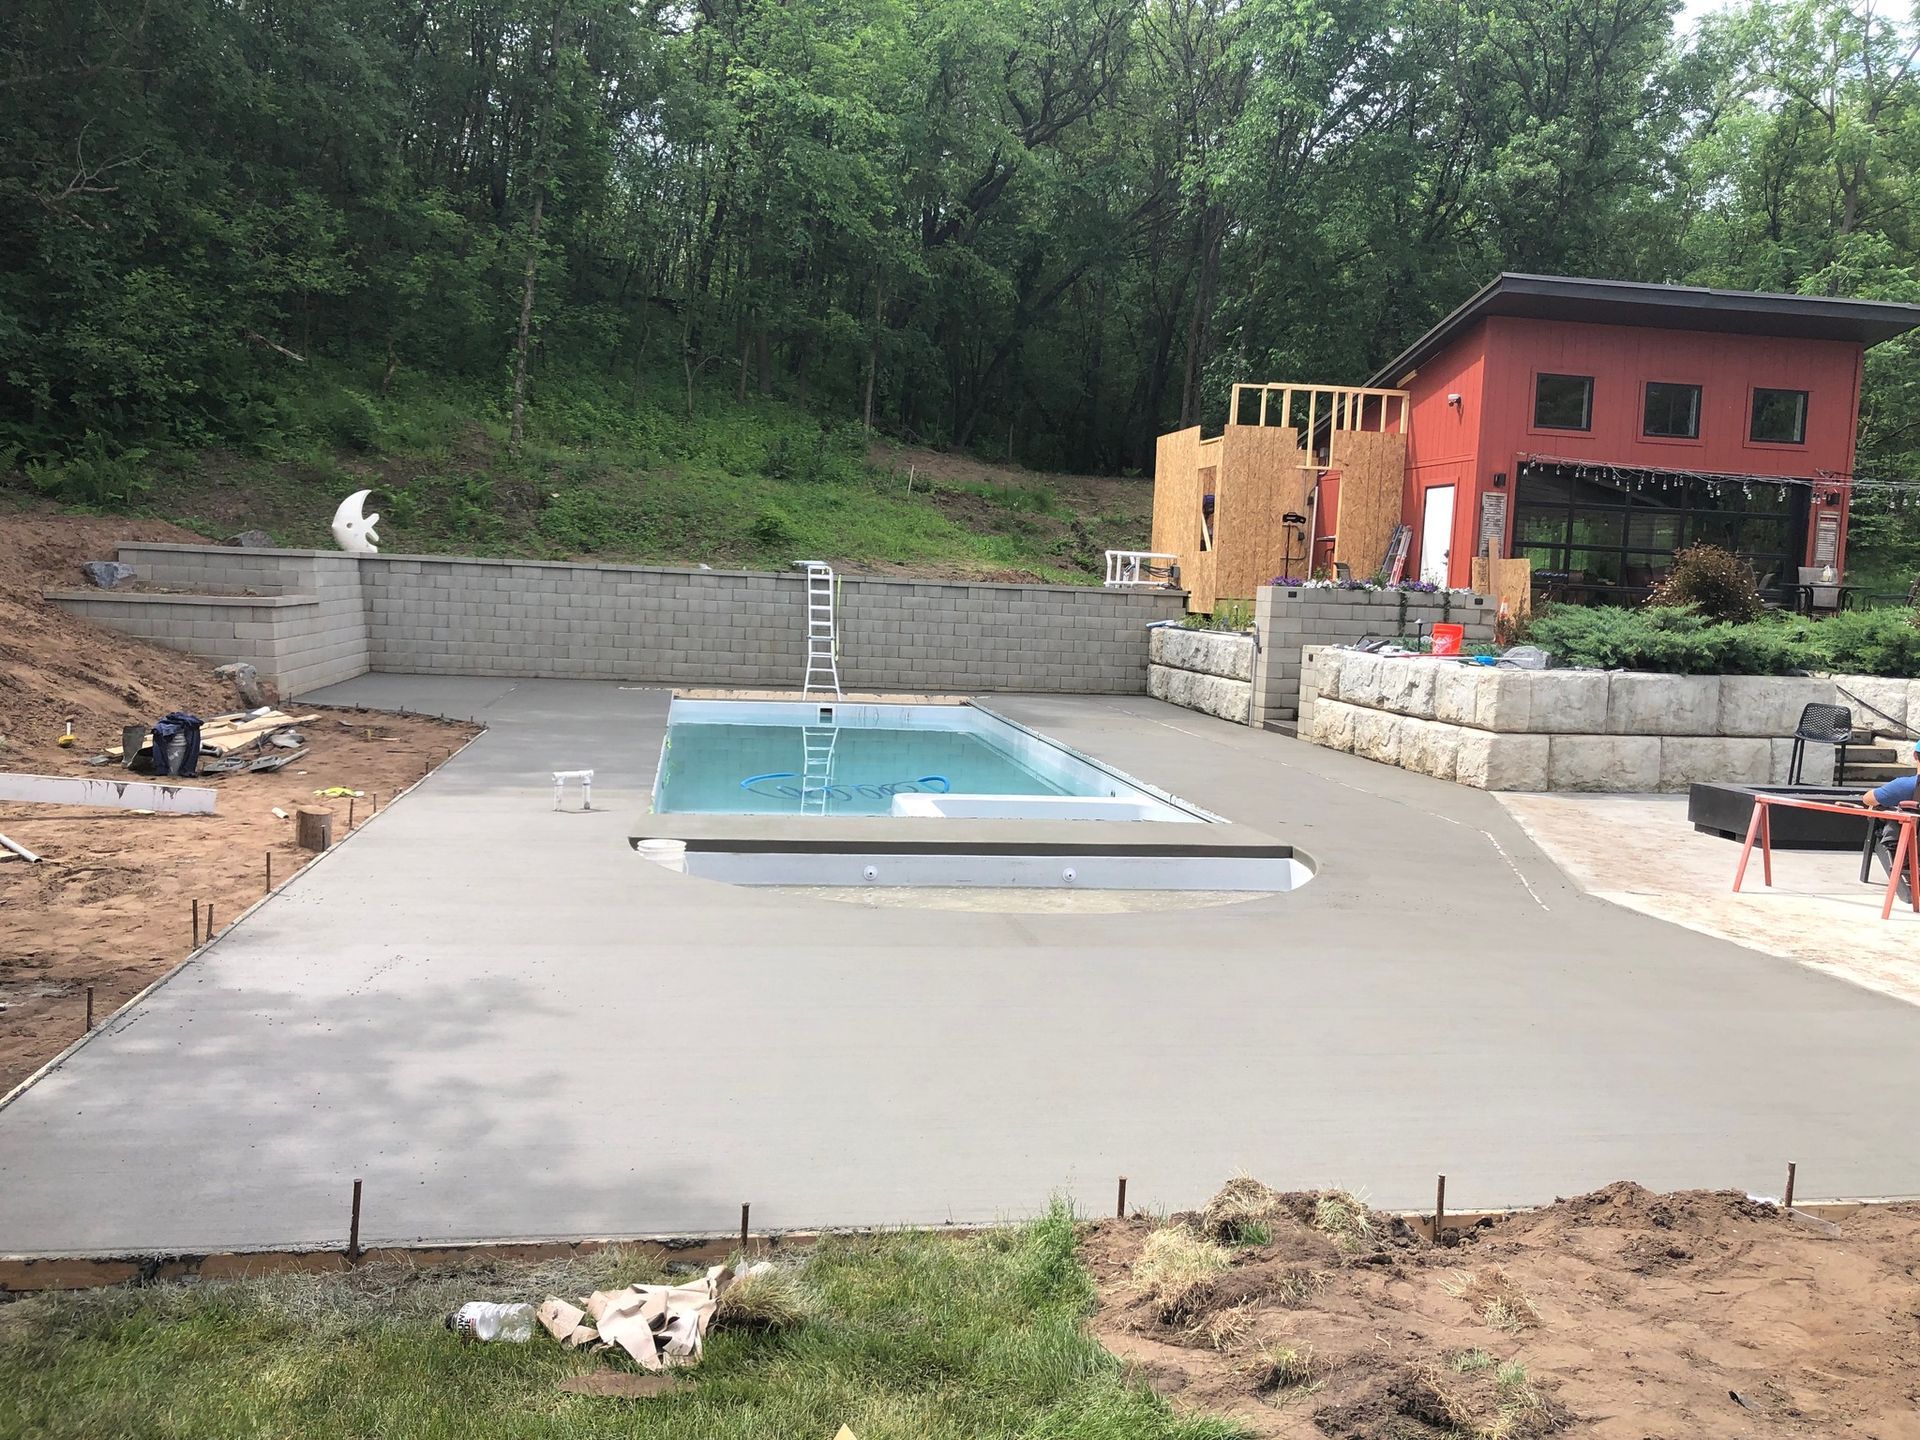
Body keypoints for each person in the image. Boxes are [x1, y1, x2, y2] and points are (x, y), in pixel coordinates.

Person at [1861, 739, 1920, 904]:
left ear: (1915, 755)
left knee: (1880, 812)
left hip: (1912, 844)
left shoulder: (1905, 785)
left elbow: (1868, 799)